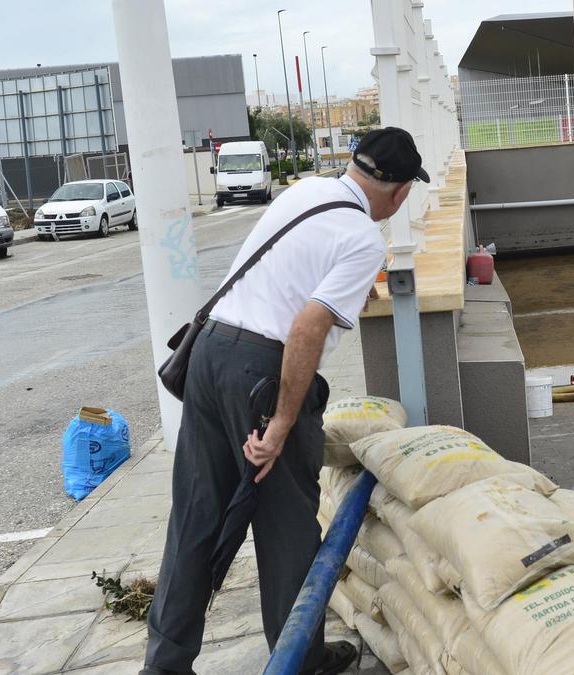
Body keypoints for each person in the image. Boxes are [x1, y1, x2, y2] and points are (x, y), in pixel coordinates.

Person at [142, 127, 430, 675]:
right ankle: (297, 659)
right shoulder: (364, 238)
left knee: (195, 517)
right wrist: (279, 425)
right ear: (400, 192)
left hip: (208, 355)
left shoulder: (305, 192)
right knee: (287, 530)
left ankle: (163, 665)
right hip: (259, 376)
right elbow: (304, 330)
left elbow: (284, 275)